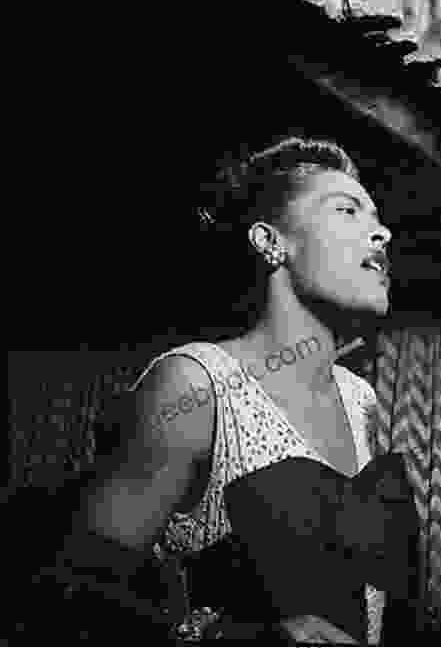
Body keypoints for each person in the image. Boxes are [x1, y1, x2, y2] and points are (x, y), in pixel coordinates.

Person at [42, 136, 419, 646]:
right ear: (270, 241)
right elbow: (76, 597)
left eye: (376, 217)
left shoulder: (362, 400)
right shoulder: (195, 385)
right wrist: (240, 636)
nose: (382, 233)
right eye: (347, 211)